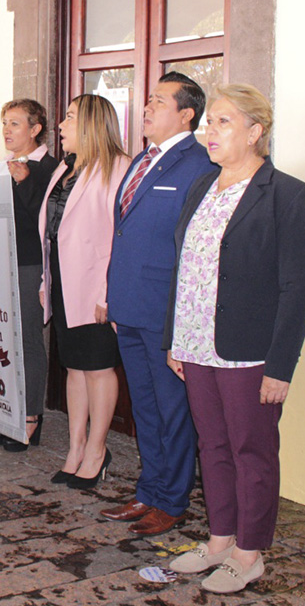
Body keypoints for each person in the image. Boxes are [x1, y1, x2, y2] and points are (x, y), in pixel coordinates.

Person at [160, 84, 305, 593]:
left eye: (224, 122)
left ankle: (250, 552)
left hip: (249, 350)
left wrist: (280, 366)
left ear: (256, 132)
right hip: (197, 342)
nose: (211, 131)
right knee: (213, 445)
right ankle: (220, 538)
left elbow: (297, 286)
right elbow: (183, 268)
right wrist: (174, 339)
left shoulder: (288, 194)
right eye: (209, 122)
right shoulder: (201, 187)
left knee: (252, 449)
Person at [101, 71, 216, 535]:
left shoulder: (201, 164)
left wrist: (179, 319)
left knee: (172, 409)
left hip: (164, 311)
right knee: (144, 408)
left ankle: (173, 499)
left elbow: (193, 247)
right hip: (128, 304)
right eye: (147, 100)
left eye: (158, 101)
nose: (146, 108)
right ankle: (149, 490)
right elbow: (124, 232)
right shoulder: (141, 160)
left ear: (186, 114)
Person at [39, 95, 130, 487]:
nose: (61, 124)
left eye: (70, 117)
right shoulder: (66, 167)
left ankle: (97, 449)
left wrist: (109, 294)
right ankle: (74, 448)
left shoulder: (118, 168)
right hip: (64, 280)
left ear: (92, 124)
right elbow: (52, 229)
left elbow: (122, 239)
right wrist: (46, 279)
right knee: (74, 368)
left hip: (96, 288)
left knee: (98, 369)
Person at [0, 99, 57, 451]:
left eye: (15, 124)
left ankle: (31, 417)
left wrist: (25, 182)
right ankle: (8, 410)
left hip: (30, 264)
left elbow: (45, 223)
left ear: (35, 128)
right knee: (5, 341)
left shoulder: (50, 168)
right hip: (2, 261)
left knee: (29, 341)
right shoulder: (4, 166)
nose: (8, 131)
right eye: (5, 124)